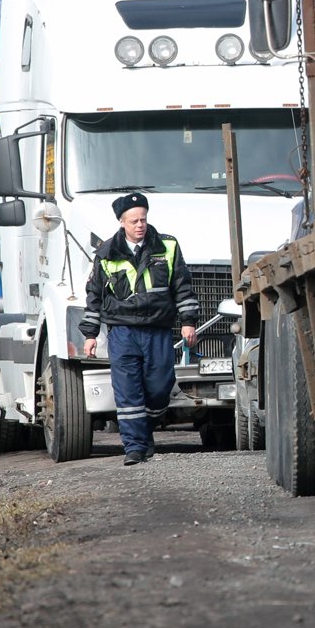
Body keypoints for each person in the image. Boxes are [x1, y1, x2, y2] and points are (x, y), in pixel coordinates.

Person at [80, 192, 199, 465]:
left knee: (159, 387)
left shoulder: (167, 246)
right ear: (122, 222)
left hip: (157, 329)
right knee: (127, 390)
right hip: (123, 332)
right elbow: (94, 295)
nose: (140, 225)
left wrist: (188, 322)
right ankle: (133, 448)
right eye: (134, 221)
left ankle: (146, 428)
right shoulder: (106, 253)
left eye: (143, 219)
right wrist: (90, 334)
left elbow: (182, 286)